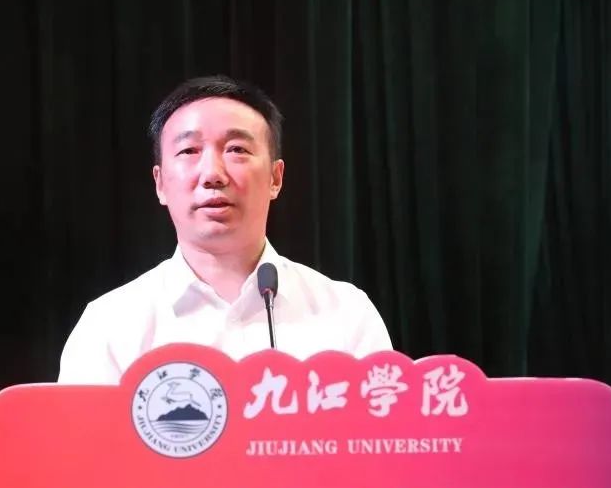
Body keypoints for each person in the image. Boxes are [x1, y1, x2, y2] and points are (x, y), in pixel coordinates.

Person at [57, 75, 391, 384]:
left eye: (237, 150)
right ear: (160, 183)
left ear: (275, 178)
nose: (212, 174)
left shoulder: (347, 313)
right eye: (189, 151)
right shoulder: (109, 325)